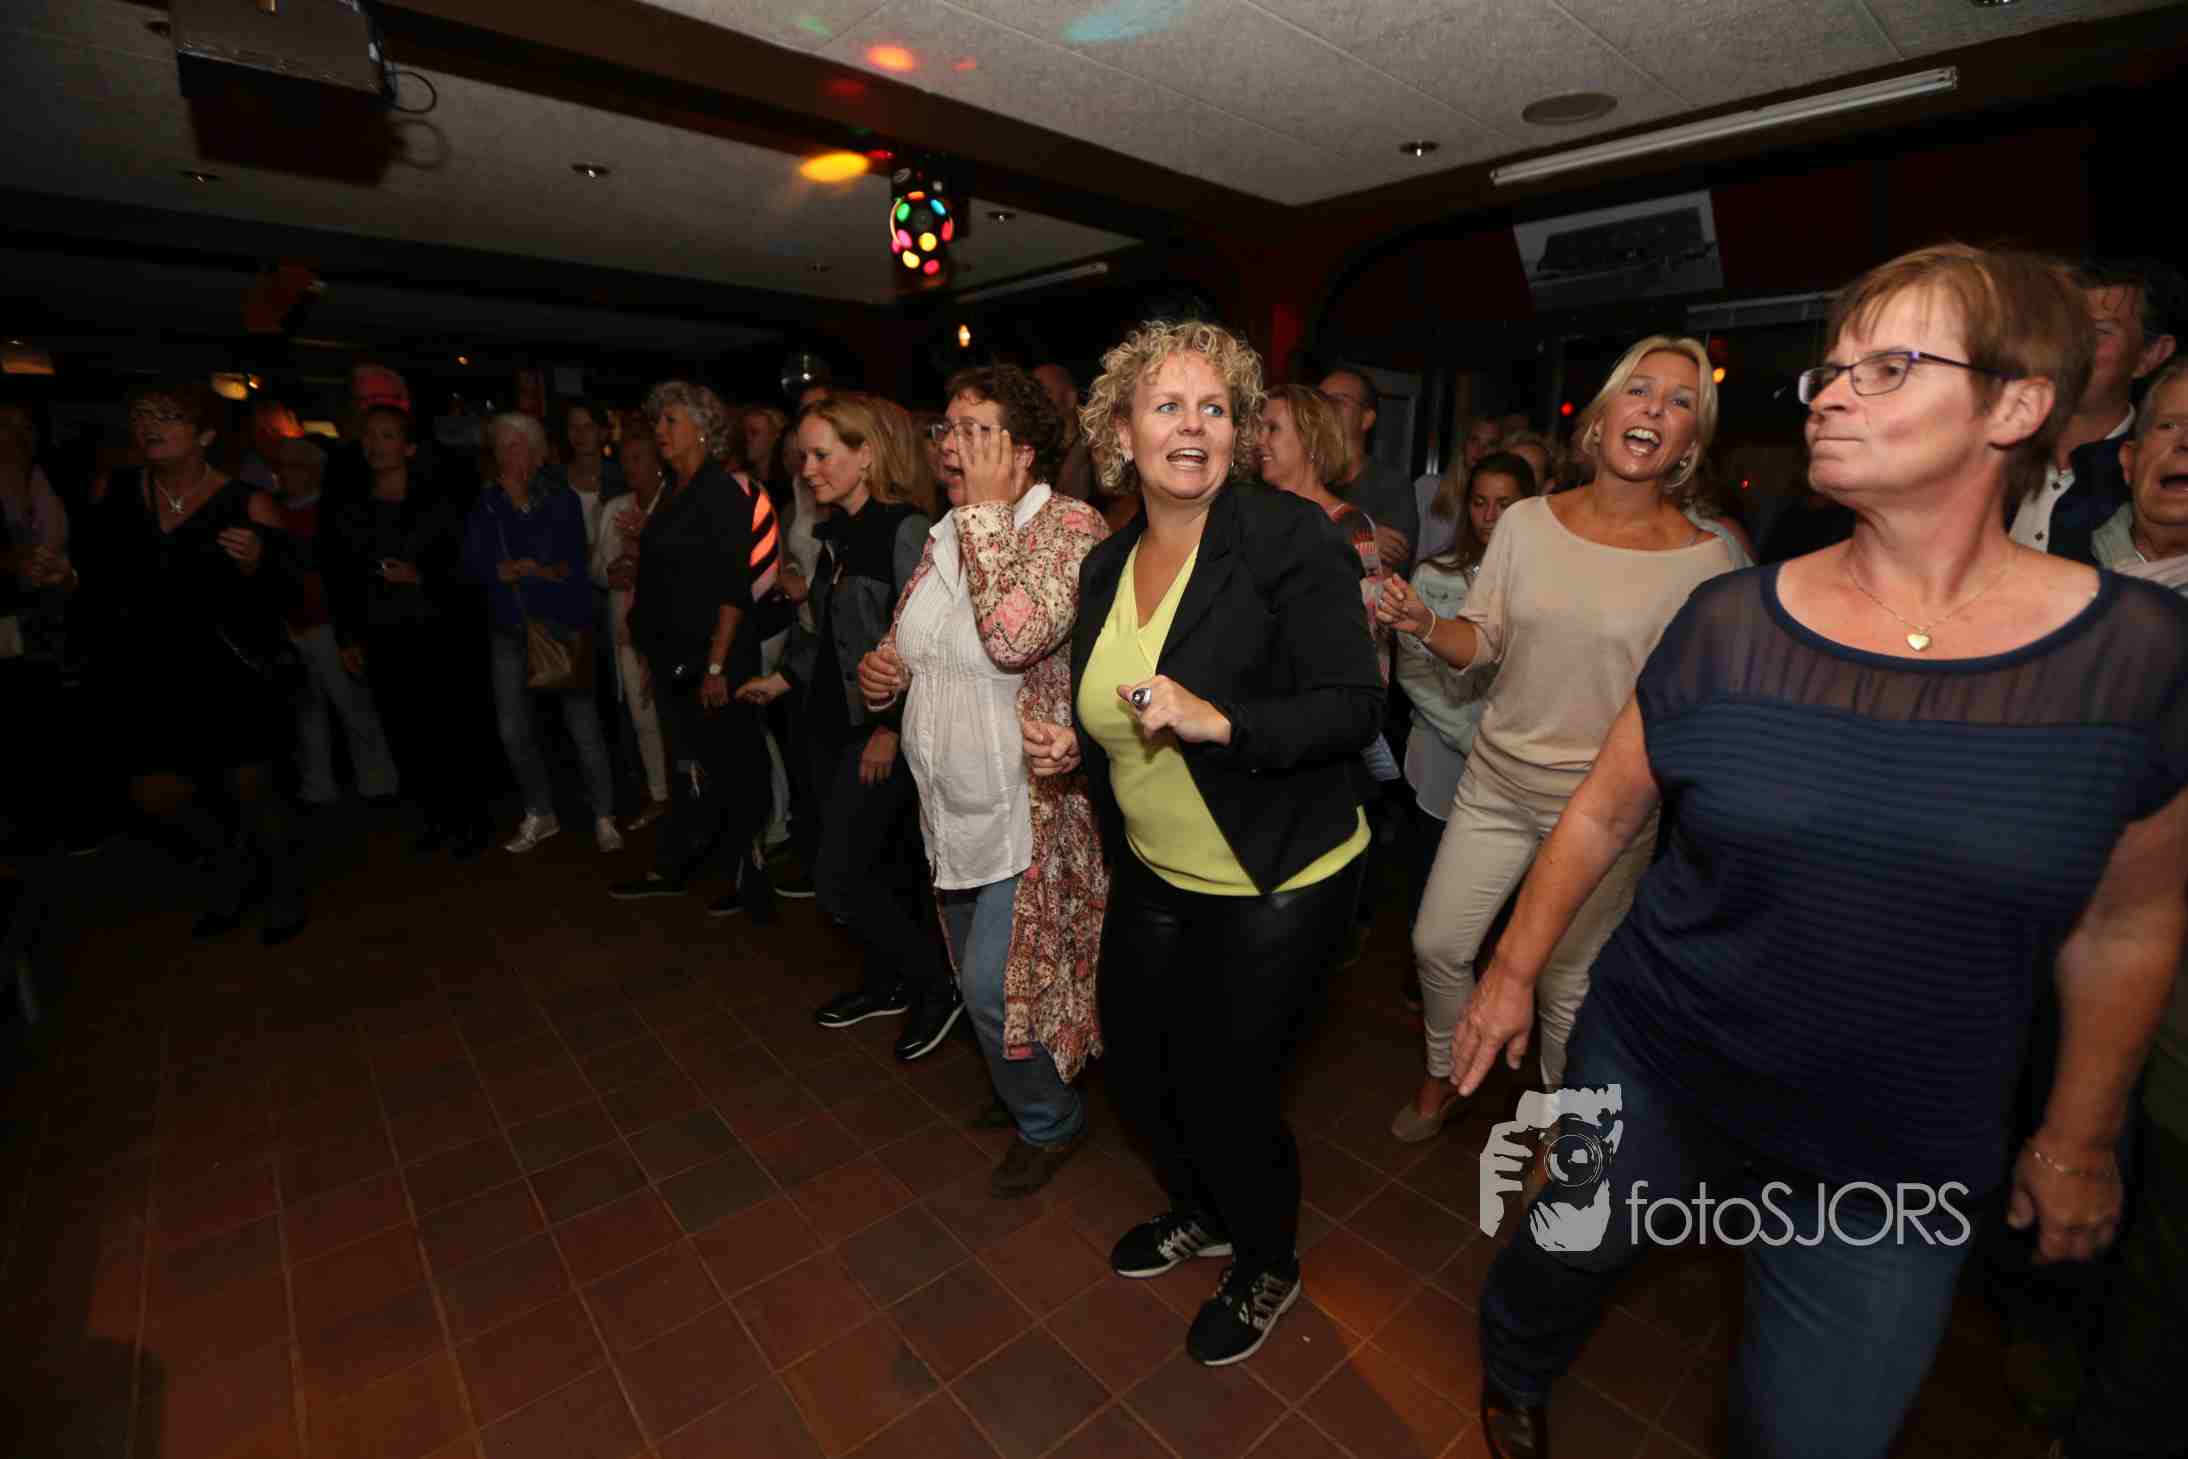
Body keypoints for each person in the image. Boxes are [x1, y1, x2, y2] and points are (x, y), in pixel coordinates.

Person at [1457, 243, 2188, 1459]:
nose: (1831, 395)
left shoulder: (2135, 657)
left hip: (1899, 1131)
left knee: (1813, 1431)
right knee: (1560, 1249)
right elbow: (1602, 810)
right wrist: (1511, 970)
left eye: (1887, 367)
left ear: (2015, 406)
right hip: (1661, 1058)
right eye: (1830, 370)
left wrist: (2077, 1133)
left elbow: (2130, 917)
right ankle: (1515, 1367)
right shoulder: (1731, 620)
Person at [1023, 320, 1382, 1366]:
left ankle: (1266, 1255)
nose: (1193, 425)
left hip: (1278, 870)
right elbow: (1118, 702)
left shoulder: (1286, 538)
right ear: (1121, 433)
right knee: (1138, 1064)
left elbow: (1353, 705)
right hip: (1156, 867)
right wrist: (1076, 742)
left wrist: (1222, 721)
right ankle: (1205, 1208)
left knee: (1231, 1087)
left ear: (1239, 432)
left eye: (1215, 408)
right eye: (1168, 406)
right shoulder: (1104, 565)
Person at [1380, 335, 1738, 1143]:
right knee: (1437, 943)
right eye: (1640, 389)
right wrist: (1425, 622)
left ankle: (1560, 1132)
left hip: (1604, 815)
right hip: (1495, 785)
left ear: (1690, 444)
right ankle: (1446, 1072)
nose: (1655, 408)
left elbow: (1696, 712)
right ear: (1602, 416)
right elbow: (1484, 641)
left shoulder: (1705, 562)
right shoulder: (1526, 523)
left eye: (1681, 401)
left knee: (1565, 988)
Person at [857, 365, 1109, 1194]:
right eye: (947, 429)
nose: (951, 446)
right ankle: (1019, 1081)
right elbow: (914, 640)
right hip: (950, 808)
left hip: (1027, 809)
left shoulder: (1070, 526)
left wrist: (986, 516)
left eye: (975, 431)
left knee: (994, 985)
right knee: (992, 986)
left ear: (1023, 450)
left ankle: (1051, 1118)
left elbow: (1014, 637)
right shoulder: (943, 534)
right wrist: (882, 675)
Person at [2052, 356, 2188, 1459]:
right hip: (2039, 907)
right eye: (2173, 427)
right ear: (2132, 454)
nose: (2187, 450)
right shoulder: (2062, 564)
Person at [740, 395, 953, 1058]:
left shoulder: (905, 529)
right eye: (803, 456)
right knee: (875, 869)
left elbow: (928, 643)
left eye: (821, 454)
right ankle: (889, 982)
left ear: (866, 455)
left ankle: (938, 984)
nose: (807, 469)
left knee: (840, 880)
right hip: (829, 727)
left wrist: (890, 727)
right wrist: (783, 680)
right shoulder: (838, 533)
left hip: (877, 735)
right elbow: (826, 631)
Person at [64, 381, 307, 944]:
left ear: (204, 435)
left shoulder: (246, 501)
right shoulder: (115, 490)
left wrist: (255, 564)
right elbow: (95, 576)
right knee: (155, 793)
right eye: (142, 416)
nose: (149, 426)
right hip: (148, 669)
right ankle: (230, 865)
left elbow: (289, 592)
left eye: (167, 417)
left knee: (251, 787)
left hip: (228, 669)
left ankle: (281, 886)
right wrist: (66, 577)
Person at [608, 381, 775, 918]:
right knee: (692, 770)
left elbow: (732, 587)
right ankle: (681, 865)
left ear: (703, 429)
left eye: (671, 421)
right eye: (658, 421)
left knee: (734, 768)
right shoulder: (674, 490)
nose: (660, 431)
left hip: (713, 660)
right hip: (676, 659)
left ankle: (750, 883)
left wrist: (717, 665)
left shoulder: (720, 491)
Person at [1393, 452, 1539, 1016]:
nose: (1489, 516)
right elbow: (1413, 671)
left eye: (1504, 504)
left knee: (1501, 885)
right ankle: (1428, 986)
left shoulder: (1541, 584)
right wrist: (1467, 734)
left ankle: (1485, 992)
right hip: (1443, 751)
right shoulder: (1435, 575)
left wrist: (1498, 736)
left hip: (1511, 759)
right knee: (1433, 873)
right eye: (1479, 502)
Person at [324, 404, 490, 859]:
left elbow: (470, 568)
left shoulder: (440, 502)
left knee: (450, 731)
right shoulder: (351, 506)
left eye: (387, 435)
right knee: (404, 733)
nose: (376, 444)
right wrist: (347, 636)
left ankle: (470, 821)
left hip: (439, 633)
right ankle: (434, 819)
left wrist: (422, 577)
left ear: (409, 446)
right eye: (370, 436)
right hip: (383, 634)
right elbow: (340, 576)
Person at [461, 412, 621, 855]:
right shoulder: (486, 502)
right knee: (513, 729)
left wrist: (534, 567)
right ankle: (540, 811)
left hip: (561, 626)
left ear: (536, 454)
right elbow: (472, 562)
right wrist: (498, 570)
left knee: (583, 726)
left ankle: (604, 814)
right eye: (501, 446)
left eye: (515, 446)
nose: (506, 455)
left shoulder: (560, 498)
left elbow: (569, 562)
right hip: (509, 627)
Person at [2010, 258, 2181, 563]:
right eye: (2058, 327)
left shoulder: (2154, 479)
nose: (2068, 346)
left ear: (2151, 355)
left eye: (2099, 331)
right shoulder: (1987, 454)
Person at [269, 435, 399, 810]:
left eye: (292, 466)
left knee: (352, 706)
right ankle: (318, 786)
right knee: (307, 712)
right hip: (293, 623)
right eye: (281, 467)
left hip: (329, 623)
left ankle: (378, 783)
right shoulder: (273, 511)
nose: (283, 474)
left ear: (314, 471)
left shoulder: (332, 511)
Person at [590, 421, 670, 831]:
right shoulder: (614, 508)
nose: (630, 467)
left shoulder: (672, 504)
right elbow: (595, 569)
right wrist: (613, 573)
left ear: (658, 461)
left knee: (672, 713)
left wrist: (644, 564)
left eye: (638, 458)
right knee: (642, 717)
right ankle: (659, 794)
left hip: (666, 626)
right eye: (626, 460)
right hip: (625, 623)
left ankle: (686, 793)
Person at [1319, 366, 1418, 572]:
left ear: (1366, 419)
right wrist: (1357, 536)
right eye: (1320, 400)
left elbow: (1385, 574)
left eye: (1338, 401)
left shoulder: (1391, 487)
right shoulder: (1305, 474)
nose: (1326, 408)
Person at [1034, 362, 1096, 502]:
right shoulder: (1037, 450)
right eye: (1032, 393)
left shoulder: (1092, 451)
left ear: (1070, 399)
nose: (1036, 402)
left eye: (1045, 393)